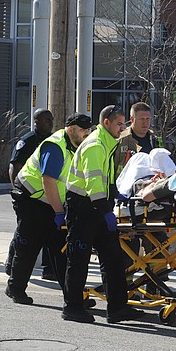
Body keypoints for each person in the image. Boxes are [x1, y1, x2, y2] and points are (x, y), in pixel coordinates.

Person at [62, 104, 145, 324]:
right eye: (119, 124)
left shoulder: (107, 144)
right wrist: (107, 211)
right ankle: (72, 307)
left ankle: (117, 308)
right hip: (83, 208)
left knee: (113, 258)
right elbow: (93, 183)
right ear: (106, 123)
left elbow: (105, 179)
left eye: (123, 124)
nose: (122, 128)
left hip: (96, 206)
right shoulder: (96, 145)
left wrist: (116, 193)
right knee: (78, 258)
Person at [5, 113, 93, 305]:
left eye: (88, 130)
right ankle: (15, 288)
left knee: (61, 250)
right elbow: (48, 181)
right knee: (29, 243)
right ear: (70, 129)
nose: (86, 133)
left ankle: (73, 297)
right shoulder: (55, 146)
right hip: (31, 197)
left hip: (51, 201)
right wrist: (59, 212)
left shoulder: (79, 146)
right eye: (82, 130)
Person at [114, 102, 169, 288]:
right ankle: (125, 286)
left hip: (152, 200)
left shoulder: (156, 140)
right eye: (142, 119)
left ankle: (156, 284)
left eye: (148, 119)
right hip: (127, 200)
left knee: (159, 243)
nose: (146, 123)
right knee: (129, 245)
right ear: (132, 120)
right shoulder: (121, 140)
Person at [4, 108, 55, 280]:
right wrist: (17, 190)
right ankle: (11, 263)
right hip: (26, 196)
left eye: (51, 119)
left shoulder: (53, 140)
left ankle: (49, 269)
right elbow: (14, 166)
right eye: (47, 120)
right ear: (37, 122)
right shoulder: (27, 141)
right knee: (23, 231)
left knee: (49, 231)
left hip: (45, 196)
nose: (51, 123)